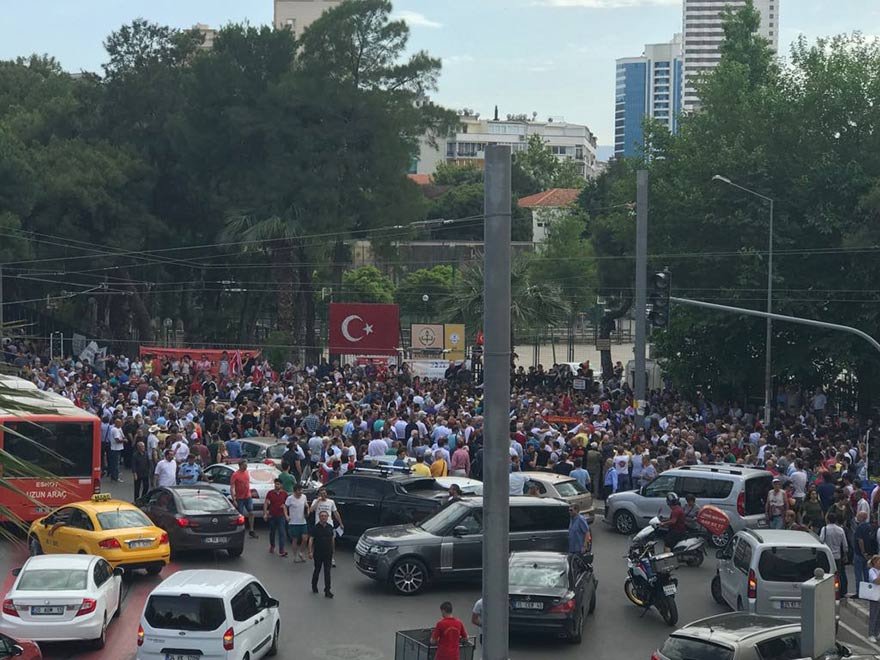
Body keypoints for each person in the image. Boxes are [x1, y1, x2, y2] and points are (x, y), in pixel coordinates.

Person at [309, 487, 343, 566]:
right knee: (319, 542)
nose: (323, 495)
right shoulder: (316, 501)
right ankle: (318, 557)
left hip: (329, 524)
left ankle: (331, 558)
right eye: (321, 494)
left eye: (324, 493)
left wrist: (340, 523)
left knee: (331, 542)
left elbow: (335, 513)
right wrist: (317, 501)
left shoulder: (331, 502)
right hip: (318, 525)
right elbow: (311, 510)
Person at [820, 512, 849, 598]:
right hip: (837, 555)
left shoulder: (824, 529)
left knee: (826, 574)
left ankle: (826, 591)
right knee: (837, 574)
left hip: (827, 555)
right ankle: (838, 592)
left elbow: (821, 540)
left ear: (827, 520)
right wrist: (845, 555)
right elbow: (845, 544)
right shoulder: (840, 530)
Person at [309, 510, 334, 598]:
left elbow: (332, 539)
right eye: (322, 516)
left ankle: (327, 590)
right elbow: (311, 539)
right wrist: (310, 552)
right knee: (317, 570)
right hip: (318, 553)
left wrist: (333, 551)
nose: (323, 517)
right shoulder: (315, 528)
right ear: (319, 517)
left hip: (328, 553)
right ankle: (314, 585)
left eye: (325, 516)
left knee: (327, 572)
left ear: (327, 517)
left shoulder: (330, 527)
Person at [230, 459, 258, 538]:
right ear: (240, 466)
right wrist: (234, 499)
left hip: (248, 496)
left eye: (246, 465)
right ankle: (240, 531)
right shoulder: (235, 475)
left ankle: (251, 530)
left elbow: (247, 483)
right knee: (241, 515)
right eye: (244, 465)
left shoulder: (246, 472)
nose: (246, 467)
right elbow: (232, 487)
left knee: (251, 512)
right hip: (240, 498)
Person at [263, 478, 289, 557]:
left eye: (278, 484)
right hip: (272, 515)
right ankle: (272, 545)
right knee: (272, 532)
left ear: (281, 485)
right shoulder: (270, 493)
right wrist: (265, 513)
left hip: (281, 516)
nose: (276, 485)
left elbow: (286, 504)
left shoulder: (284, 494)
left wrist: (286, 514)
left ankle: (281, 550)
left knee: (282, 532)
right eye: (275, 484)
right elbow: (266, 503)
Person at [285, 483, 310, 562]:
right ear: (295, 491)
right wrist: (286, 516)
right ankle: (295, 556)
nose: (300, 492)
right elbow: (285, 507)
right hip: (293, 522)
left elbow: (306, 505)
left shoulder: (304, 497)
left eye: (301, 490)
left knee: (305, 539)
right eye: (299, 490)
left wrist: (308, 510)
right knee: (295, 540)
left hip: (303, 521)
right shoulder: (290, 498)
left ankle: (301, 552)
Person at [854, 510, 876, 586]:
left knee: (858, 574)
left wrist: (863, 552)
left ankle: (859, 591)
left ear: (862, 518)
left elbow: (860, 540)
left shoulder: (859, 527)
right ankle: (867, 590)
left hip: (859, 554)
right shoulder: (870, 527)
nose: (856, 517)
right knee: (867, 573)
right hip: (869, 554)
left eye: (858, 516)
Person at [867, 555, 880, 643]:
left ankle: (877, 632)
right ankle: (871, 634)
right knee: (874, 615)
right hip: (874, 596)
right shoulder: (872, 571)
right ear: (874, 562)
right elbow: (876, 581)